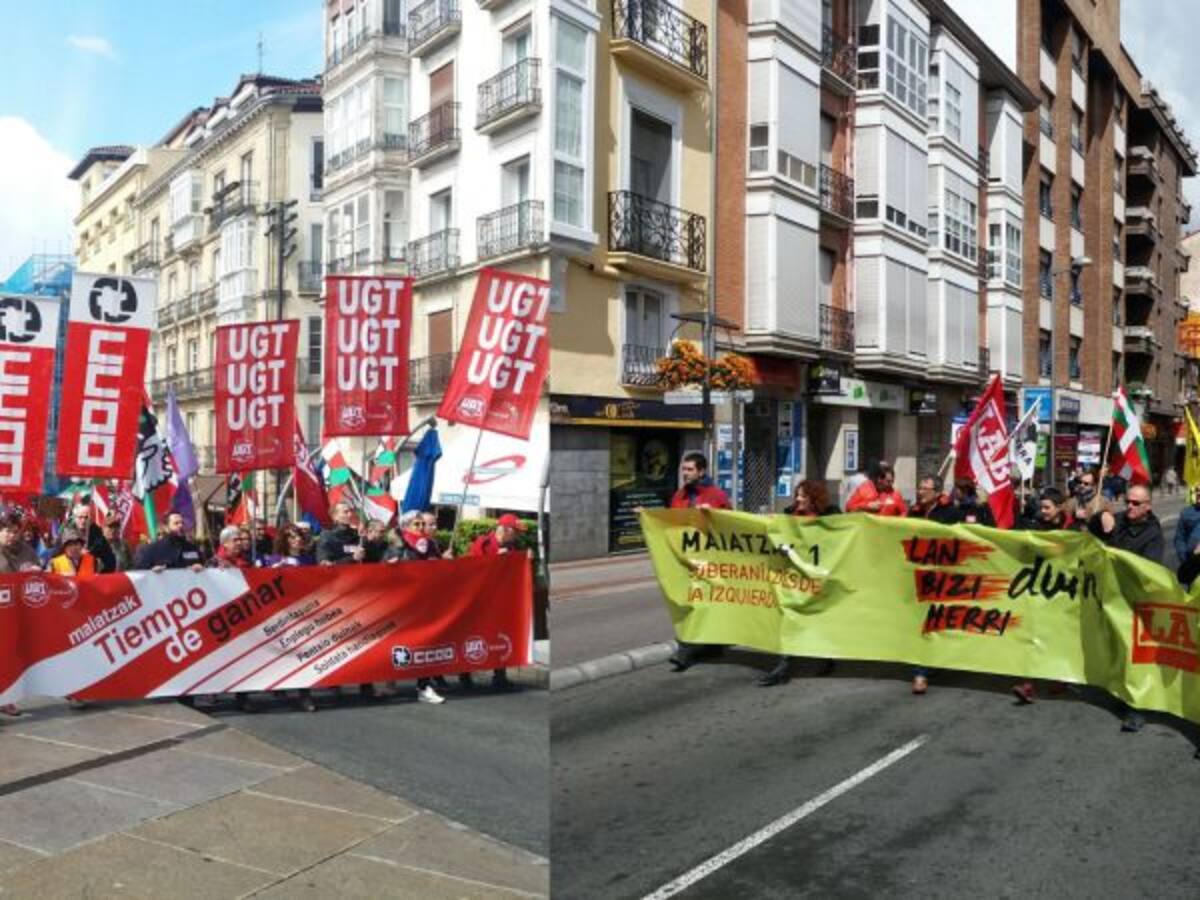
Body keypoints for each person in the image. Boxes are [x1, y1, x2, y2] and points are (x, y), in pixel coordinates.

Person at [1089, 483, 1163, 732]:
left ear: (1147, 507)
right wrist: (1102, 516)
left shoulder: (1153, 534)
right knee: (1115, 650)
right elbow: (1091, 531)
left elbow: (1150, 570)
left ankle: (1137, 709)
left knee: (1135, 658)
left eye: (1135, 503)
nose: (1129, 506)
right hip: (1110, 597)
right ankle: (1120, 692)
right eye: (1127, 501)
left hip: (1135, 603)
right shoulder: (1119, 520)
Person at [759, 480, 838, 687]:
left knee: (818, 618)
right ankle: (784, 666)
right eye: (797, 495)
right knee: (789, 617)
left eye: (803, 496)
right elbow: (776, 533)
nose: (798, 499)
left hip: (816, 578)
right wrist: (770, 523)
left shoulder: (830, 516)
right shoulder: (788, 514)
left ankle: (827, 657)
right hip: (793, 579)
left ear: (815, 498)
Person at [666, 453, 733, 672]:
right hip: (687, 559)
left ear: (701, 471)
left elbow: (731, 525)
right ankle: (714, 645)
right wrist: (647, 517)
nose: (685, 474)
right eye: (683, 469)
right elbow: (671, 522)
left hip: (710, 560)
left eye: (689, 470)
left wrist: (711, 516)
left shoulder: (716, 495)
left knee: (698, 603)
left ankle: (685, 651)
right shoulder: (680, 496)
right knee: (693, 602)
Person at [466, 513, 528, 690]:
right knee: (473, 635)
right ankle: (465, 675)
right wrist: (494, 557)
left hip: (500, 599)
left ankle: (500, 675)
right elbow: (472, 567)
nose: (517, 535)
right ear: (505, 530)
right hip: (480, 599)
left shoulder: (513, 546)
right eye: (515, 531)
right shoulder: (483, 543)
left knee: (502, 634)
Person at [132, 512, 205, 572]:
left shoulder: (193, 548)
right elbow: (140, 573)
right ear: (166, 528)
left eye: (182, 523)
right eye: (176, 523)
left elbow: (203, 566)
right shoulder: (152, 550)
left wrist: (200, 567)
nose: (180, 525)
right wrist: (152, 571)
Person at [69, 503, 117, 574]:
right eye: (80, 517)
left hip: (90, 579)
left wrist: (100, 576)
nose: (83, 520)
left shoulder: (97, 535)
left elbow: (110, 561)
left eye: (86, 517)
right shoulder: (67, 532)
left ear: (91, 519)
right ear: (75, 518)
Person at [1175, 484, 1200, 564]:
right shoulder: (1186, 513)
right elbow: (1179, 538)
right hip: (1191, 561)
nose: (1198, 493)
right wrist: (1183, 556)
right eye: (1197, 491)